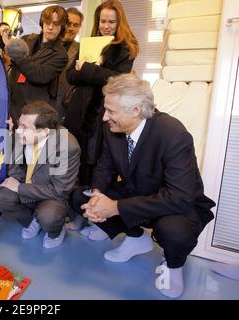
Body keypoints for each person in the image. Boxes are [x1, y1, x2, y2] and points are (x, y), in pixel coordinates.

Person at [69, 73, 215, 298]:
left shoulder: (173, 133)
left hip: (176, 204)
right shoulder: (113, 130)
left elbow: (179, 197)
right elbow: (105, 168)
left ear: (136, 110)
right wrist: (97, 195)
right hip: (136, 191)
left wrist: (115, 207)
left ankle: (173, 266)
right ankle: (136, 239)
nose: (105, 117)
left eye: (111, 111)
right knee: (81, 196)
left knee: (174, 232)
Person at [64, 0, 139, 186]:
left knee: (96, 162)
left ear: (119, 22)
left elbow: (117, 79)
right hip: (78, 109)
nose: (105, 26)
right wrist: (98, 73)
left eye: (111, 22)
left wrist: (88, 68)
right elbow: (71, 75)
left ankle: (95, 204)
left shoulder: (127, 47)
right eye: (102, 21)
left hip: (102, 113)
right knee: (72, 157)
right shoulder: (88, 44)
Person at [0, 101, 80, 249]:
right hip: (29, 184)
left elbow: (59, 191)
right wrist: (11, 136)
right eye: (20, 124)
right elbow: (16, 166)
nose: (19, 131)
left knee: (48, 217)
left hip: (53, 196)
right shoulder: (24, 136)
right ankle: (34, 220)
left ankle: (56, 231)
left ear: (44, 131)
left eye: (25, 127)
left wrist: (19, 188)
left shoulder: (67, 147)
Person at [4, 5, 69, 125]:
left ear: (62, 27)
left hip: (32, 114)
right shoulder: (27, 39)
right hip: (11, 104)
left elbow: (39, 75)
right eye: (48, 22)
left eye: (56, 24)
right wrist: (2, 36)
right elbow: (9, 56)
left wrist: (18, 54)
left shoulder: (61, 55)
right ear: (42, 22)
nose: (50, 27)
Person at [56, 7, 84, 120]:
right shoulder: (46, 44)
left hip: (64, 109)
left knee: (61, 138)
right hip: (40, 104)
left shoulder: (83, 49)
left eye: (75, 25)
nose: (71, 28)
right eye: (68, 23)